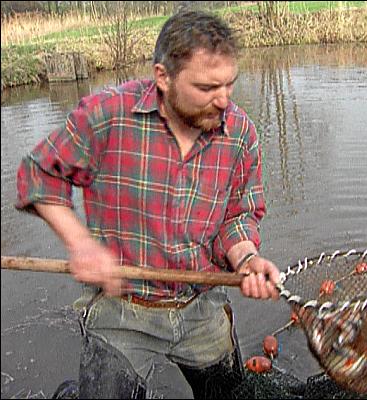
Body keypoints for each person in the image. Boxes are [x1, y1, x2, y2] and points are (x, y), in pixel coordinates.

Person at [16, 10, 281, 399]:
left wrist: (246, 260)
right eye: (207, 88)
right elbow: (39, 174)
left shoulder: (239, 132)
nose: (224, 101)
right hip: (123, 309)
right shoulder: (107, 116)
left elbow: (238, 216)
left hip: (199, 304)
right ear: (163, 77)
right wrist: (82, 245)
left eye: (229, 84)